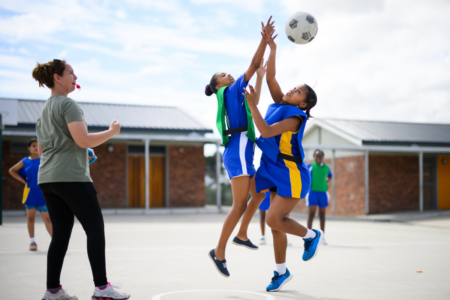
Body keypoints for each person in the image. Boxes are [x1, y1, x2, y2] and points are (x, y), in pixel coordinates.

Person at [32, 59, 130, 300]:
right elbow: (83, 139)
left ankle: (52, 290)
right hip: (72, 178)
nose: (75, 76)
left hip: (48, 179)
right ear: (57, 78)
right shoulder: (68, 105)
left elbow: (47, 150)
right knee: (95, 228)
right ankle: (102, 288)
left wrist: (80, 152)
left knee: (61, 234)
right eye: (71, 72)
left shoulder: (44, 112)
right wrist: (111, 132)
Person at [243, 25, 322, 292]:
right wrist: (273, 47)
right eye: (295, 87)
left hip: (290, 173)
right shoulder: (283, 104)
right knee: (275, 222)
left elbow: (265, 131)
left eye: (298, 91)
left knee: (273, 220)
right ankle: (281, 272)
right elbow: (271, 79)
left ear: (304, 105)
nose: (291, 89)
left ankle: (311, 235)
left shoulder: (293, 118)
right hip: (272, 167)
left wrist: (252, 104)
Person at [205, 17, 274, 278]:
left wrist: (259, 76)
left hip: (243, 150)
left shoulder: (235, 93)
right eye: (223, 75)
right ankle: (219, 251)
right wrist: (264, 41)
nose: (229, 74)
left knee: (258, 194)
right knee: (238, 206)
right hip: (238, 151)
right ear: (218, 85)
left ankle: (242, 234)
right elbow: (254, 63)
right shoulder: (230, 91)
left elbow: (251, 108)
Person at [9, 137, 52, 251]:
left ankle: (55, 241)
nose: (36, 147)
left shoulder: (45, 159)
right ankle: (32, 242)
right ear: (29, 148)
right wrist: (22, 180)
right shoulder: (25, 161)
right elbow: (11, 170)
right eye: (33, 145)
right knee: (31, 218)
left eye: (38, 145)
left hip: (43, 193)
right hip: (30, 193)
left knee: (47, 219)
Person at [306, 149, 332, 245]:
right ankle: (309, 237)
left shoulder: (326, 167)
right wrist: (309, 183)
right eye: (316, 156)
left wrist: (325, 182)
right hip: (313, 192)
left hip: (323, 193)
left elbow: (330, 176)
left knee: (322, 215)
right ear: (314, 157)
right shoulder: (310, 166)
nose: (318, 158)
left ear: (322, 157)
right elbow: (303, 173)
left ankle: (322, 237)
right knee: (311, 214)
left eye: (320, 156)